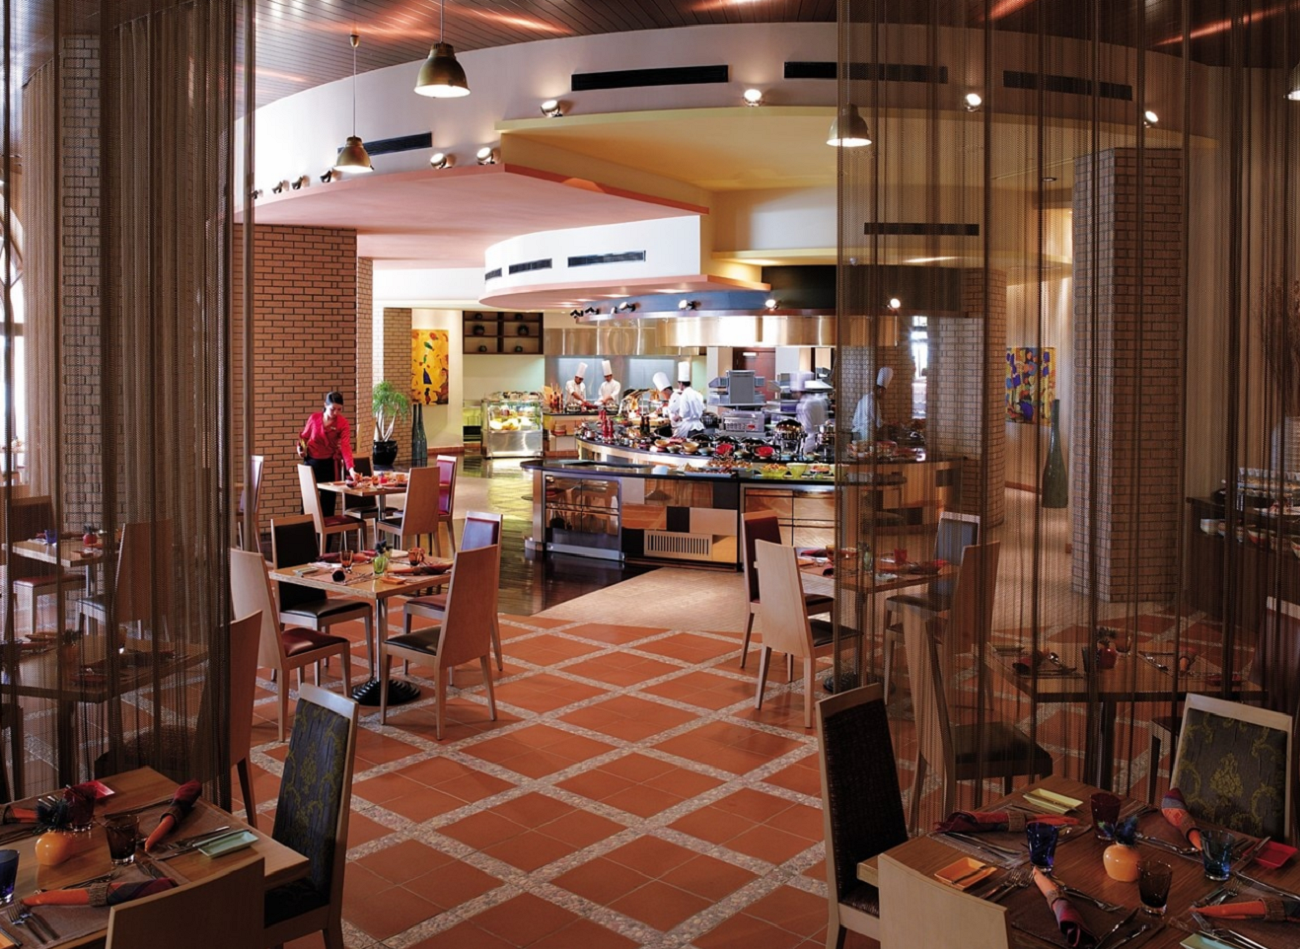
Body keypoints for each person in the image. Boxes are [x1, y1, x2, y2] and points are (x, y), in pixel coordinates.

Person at [297, 391, 357, 517]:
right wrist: (300, 449)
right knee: (308, 501)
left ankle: (326, 530)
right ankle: (307, 528)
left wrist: (351, 469)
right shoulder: (314, 418)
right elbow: (304, 437)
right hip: (311, 463)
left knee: (328, 503)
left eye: (339, 409)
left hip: (329, 464)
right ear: (325, 405)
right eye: (332, 409)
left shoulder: (343, 423)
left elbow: (345, 446)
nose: (335, 413)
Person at [852, 366, 894, 443]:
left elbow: (854, 420)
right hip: (866, 435)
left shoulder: (864, 398)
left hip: (856, 433)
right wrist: (888, 423)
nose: (884, 395)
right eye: (884, 393)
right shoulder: (873, 401)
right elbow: (879, 423)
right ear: (880, 390)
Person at [795, 374, 831, 454]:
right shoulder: (820, 400)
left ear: (799, 392)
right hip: (821, 440)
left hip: (809, 442)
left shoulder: (806, 404)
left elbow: (807, 427)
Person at [670, 361, 705, 438]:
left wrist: (676, 417)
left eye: (678, 384)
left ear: (681, 384)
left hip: (690, 428)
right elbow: (703, 409)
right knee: (699, 444)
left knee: (689, 444)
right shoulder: (697, 394)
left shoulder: (684, 395)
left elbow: (684, 412)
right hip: (700, 426)